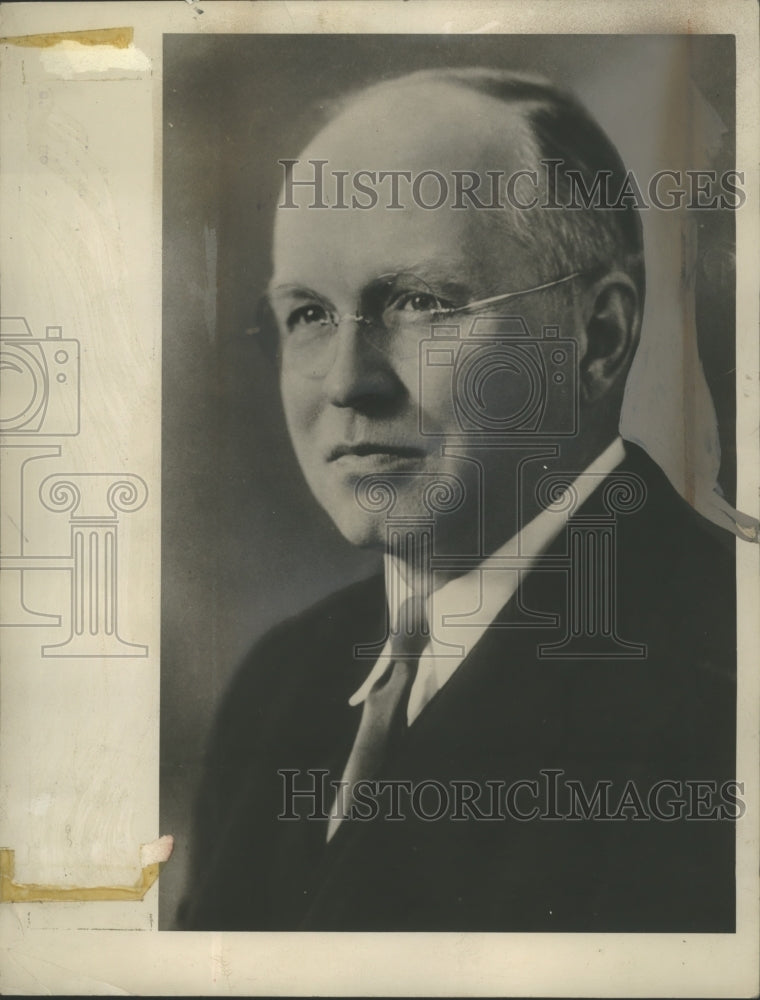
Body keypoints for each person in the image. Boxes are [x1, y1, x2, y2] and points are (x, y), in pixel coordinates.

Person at [177, 68, 736, 932]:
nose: (349, 385)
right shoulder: (279, 688)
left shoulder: (730, 671)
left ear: (599, 339)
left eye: (418, 303)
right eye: (309, 316)